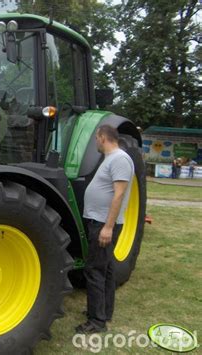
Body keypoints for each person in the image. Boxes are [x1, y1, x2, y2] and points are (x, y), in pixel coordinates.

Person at [75, 125, 134, 334]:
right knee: (106, 269)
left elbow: (119, 194)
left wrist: (108, 228)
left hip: (104, 224)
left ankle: (96, 321)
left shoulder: (120, 159)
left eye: (96, 139)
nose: (95, 143)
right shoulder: (111, 159)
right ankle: (104, 311)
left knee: (95, 270)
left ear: (102, 137)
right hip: (100, 221)